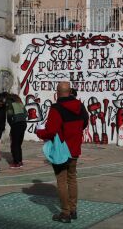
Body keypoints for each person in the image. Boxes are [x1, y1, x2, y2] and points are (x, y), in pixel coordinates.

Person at [36, 81, 89, 223]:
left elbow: (51, 131)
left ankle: (65, 213)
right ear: (70, 91)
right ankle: (73, 209)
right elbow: (85, 122)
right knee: (72, 178)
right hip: (75, 149)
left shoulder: (56, 108)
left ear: (57, 93)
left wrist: (39, 132)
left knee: (61, 180)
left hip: (62, 151)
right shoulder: (80, 105)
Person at [6, 93, 27, 169]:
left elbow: (9, 115)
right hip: (23, 124)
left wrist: (12, 123)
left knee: (14, 144)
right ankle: (20, 161)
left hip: (16, 124)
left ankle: (16, 162)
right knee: (18, 143)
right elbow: (26, 113)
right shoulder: (20, 103)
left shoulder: (10, 104)